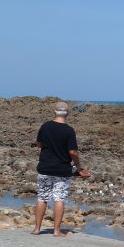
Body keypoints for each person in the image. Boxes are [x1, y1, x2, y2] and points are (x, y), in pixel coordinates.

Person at [32, 101, 90, 237]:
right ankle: (57, 231)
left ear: (54, 112)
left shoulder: (45, 126)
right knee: (59, 199)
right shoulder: (69, 130)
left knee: (42, 198)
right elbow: (73, 152)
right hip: (62, 170)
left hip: (45, 168)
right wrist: (79, 167)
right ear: (67, 113)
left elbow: (39, 144)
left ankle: (37, 229)